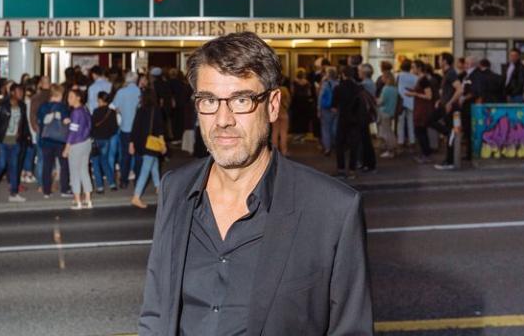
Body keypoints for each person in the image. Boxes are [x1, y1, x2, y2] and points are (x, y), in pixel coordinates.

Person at [139, 32, 373, 335]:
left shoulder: (333, 209)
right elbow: (157, 309)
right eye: (209, 100)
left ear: (273, 105)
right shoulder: (175, 188)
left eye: (241, 100)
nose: (223, 119)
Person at [0, 83, 29, 202]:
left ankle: (14, 193)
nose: (21, 94)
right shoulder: (3, 106)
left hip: (15, 142)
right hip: (3, 142)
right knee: (1, 165)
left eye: (22, 91)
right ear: (12, 93)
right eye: (18, 91)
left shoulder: (22, 106)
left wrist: (24, 136)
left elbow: (23, 123)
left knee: (14, 167)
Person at [129, 88, 166, 209]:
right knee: (145, 170)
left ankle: (158, 187)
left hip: (141, 143)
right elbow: (160, 129)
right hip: (151, 143)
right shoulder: (156, 110)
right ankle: (136, 196)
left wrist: (131, 143)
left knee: (153, 163)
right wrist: (163, 144)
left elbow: (134, 127)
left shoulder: (140, 110)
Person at [38, 84, 71, 197]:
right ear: (58, 94)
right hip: (59, 141)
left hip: (46, 140)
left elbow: (40, 121)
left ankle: (46, 191)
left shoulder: (43, 106)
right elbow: (66, 121)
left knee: (47, 166)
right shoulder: (62, 107)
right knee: (64, 165)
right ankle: (64, 189)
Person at [431, 53, 462, 171]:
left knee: (432, 121)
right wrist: (440, 100)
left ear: (445, 61)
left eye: (440, 59)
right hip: (444, 106)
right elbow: (447, 91)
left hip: (450, 108)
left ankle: (449, 162)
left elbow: (460, 89)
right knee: (430, 120)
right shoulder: (446, 73)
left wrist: (449, 102)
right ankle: (448, 133)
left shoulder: (451, 73)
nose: (438, 61)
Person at [63, 88, 93, 210]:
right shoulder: (84, 109)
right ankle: (88, 200)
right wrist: (71, 121)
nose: (68, 99)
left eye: (71, 96)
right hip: (86, 143)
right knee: (84, 171)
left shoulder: (75, 112)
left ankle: (77, 201)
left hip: (76, 145)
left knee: (74, 173)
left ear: (78, 98)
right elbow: (87, 124)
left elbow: (73, 132)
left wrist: (66, 148)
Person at [111, 71, 141, 189]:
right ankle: (137, 179)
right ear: (136, 80)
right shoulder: (140, 92)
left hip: (125, 127)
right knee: (138, 155)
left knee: (125, 155)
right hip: (138, 128)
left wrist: (122, 111)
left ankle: (124, 181)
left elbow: (114, 107)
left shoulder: (121, 92)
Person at [332, 66, 361, 177]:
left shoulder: (338, 88)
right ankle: (352, 170)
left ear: (343, 74)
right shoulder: (358, 88)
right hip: (355, 118)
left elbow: (334, 107)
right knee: (354, 145)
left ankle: (341, 168)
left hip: (343, 118)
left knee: (340, 144)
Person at [406, 60, 434, 163]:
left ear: (419, 68)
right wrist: (413, 92)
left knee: (421, 132)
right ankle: (425, 153)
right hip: (419, 107)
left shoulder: (423, 80)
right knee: (420, 132)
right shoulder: (420, 79)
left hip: (422, 109)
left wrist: (415, 94)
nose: (412, 69)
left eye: (413, 67)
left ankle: (426, 154)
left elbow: (429, 96)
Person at [91, 91, 119, 192]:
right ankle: (112, 184)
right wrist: (107, 134)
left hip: (96, 140)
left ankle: (100, 187)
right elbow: (114, 128)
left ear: (100, 100)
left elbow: (92, 126)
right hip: (106, 140)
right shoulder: (111, 112)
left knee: (95, 163)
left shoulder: (96, 111)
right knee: (105, 162)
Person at [29, 75, 51, 185]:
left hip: (42, 129)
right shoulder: (52, 96)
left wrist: (35, 127)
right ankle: (44, 181)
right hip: (48, 130)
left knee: (41, 156)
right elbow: (32, 115)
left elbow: (32, 115)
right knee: (46, 157)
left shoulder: (36, 97)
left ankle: (41, 182)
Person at [396, 59, 418, 150]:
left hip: (401, 101)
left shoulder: (398, 76)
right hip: (411, 100)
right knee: (410, 122)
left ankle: (400, 141)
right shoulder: (415, 77)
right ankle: (412, 141)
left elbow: (396, 86)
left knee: (400, 122)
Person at [317, 67, 338, 156]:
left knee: (325, 128)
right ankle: (335, 144)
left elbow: (320, 97)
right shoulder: (338, 83)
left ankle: (327, 148)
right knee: (334, 127)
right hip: (336, 108)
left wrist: (318, 109)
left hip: (325, 108)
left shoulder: (325, 84)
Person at [377, 71, 398, 158]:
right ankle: (392, 148)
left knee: (386, 132)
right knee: (389, 131)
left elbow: (381, 101)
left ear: (387, 78)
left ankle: (390, 150)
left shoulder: (386, 89)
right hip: (391, 111)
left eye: (383, 77)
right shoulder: (394, 89)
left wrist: (376, 101)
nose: (381, 78)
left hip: (384, 111)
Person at [290, 68, 313, 139]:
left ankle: (297, 133)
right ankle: (303, 133)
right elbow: (309, 93)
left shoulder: (294, 82)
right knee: (304, 118)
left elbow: (292, 92)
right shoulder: (307, 83)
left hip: (296, 102)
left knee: (296, 118)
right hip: (305, 102)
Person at [271, 75, 291, 156]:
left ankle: (274, 152)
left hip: (275, 113)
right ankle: (284, 151)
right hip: (283, 113)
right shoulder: (285, 90)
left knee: (275, 132)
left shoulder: (273, 90)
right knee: (283, 133)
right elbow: (289, 100)